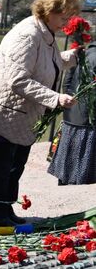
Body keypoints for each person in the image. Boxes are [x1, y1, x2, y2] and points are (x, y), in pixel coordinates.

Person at [0, 0, 79, 227]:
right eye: (64, 17)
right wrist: (54, 98)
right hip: (4, 111)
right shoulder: (28, 34)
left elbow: (51, 64)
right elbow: (18, 80)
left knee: (16, 163)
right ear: (49, 11)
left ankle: (5, 207)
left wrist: (76, 55)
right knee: (3, 164)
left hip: (22, 114)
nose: (66, 22)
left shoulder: (46, 33)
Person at [48, 41, 96, 184]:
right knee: (84, 158)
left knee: (69, 153)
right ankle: (80, 182)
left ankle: (66, 179)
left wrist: (70, 100)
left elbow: (67, 81)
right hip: (89, 116)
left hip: (72, 111)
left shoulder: (82, 53)